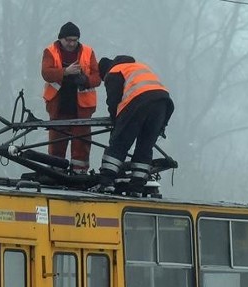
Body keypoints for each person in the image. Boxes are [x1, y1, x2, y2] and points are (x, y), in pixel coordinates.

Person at [97, 55, 174, 192]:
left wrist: (116, 124)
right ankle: (137, 186)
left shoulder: (114, 72)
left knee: (119, 143)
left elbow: (113, 102)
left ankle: (106, 182)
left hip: (139, 102)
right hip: (163, 103)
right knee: (145, 147)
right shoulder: (139, 67)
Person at [41, 22, 101, 173]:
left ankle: (79, 173)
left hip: (82, 109)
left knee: (82, 144)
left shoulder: (88, 51)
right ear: (61, 38)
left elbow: (98, 77)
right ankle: (55, 172)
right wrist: (65, 72)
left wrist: (85, 80)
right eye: (68, 40)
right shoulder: (50, 51)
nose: (72, 43)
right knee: (56, 144)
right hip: (58, 107)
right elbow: (46, 73)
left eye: (75, 40)